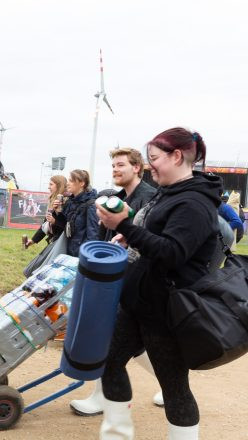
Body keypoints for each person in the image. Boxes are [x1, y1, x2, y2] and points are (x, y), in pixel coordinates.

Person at [96, 128, 222, 439]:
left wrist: (124, 224)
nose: (151, 166)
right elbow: (156, 233)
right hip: (138, 302)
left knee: (174, 388)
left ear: (177, 156)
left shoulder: (195, 203)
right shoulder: (170, 190)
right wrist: (130, 230)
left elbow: (172, 253)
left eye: (154, 159)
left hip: (166, 310)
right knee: (109, 362)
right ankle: (116, 434)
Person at [70, 148, 159, 416]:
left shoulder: (150, 199)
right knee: (124, 339)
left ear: (137, 168)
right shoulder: (114, 198)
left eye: (121, 165)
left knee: (116, 338)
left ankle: (103, 397)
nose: (115, 170)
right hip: (115, 276)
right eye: (113, 166)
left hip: (138, 279)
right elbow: (100, 238)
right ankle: (169, 382)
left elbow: (151, 241)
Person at [54, 169, 99, 257]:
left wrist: (83, 256)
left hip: (80, 255)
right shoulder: (69, 202)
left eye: (71, 181)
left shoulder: (91, 204)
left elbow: (93, 236)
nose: (67, 183)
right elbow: (64, 226)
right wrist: (57, 212)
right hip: (67, 251)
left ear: (82, 183)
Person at [26, 175, 68, 248]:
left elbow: (68, 227)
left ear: (59, 186)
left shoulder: (67, 202)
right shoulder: (52, 200)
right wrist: (33, 240)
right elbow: (46, 224)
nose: (48, 187)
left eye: (51, 184)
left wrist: (55, 221)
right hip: (53, 241)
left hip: (62, 244)